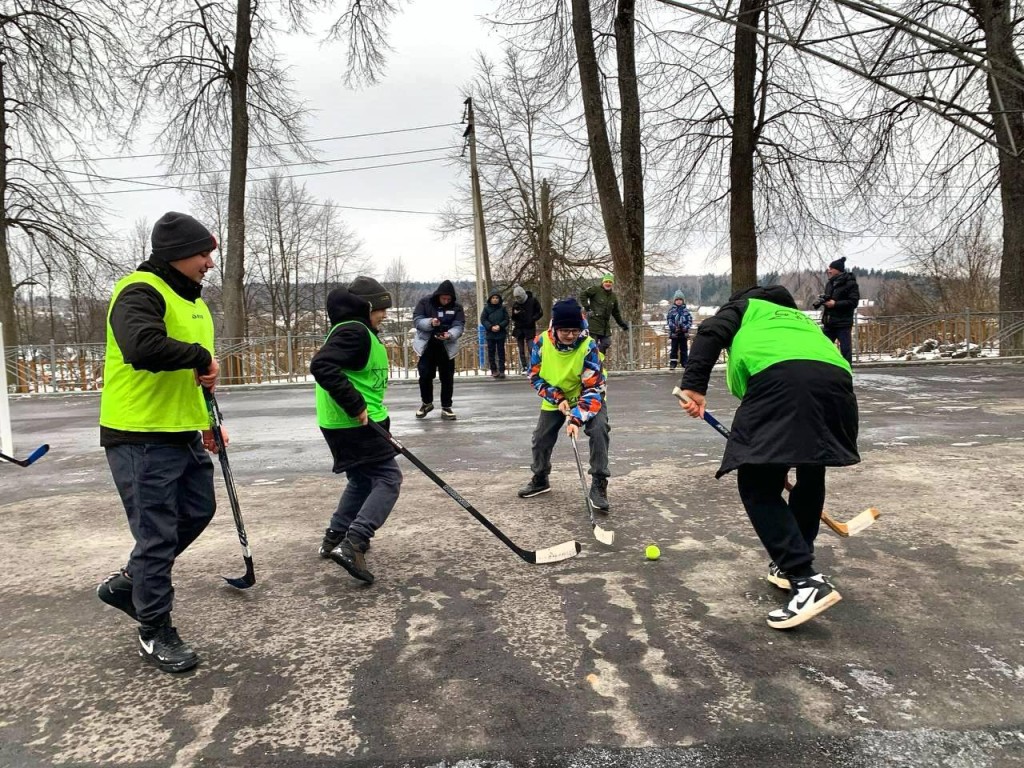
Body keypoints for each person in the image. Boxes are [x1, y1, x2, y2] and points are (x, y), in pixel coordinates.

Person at [676, 285, 859, 630]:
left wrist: (694, 385)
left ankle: (805, 580)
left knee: (758, 485)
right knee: (810, 470)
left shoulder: (747, 307)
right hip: (837, 385)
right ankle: (792, 563)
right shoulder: (799, 320)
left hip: (779, 383)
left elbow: (710, 330)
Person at [96, 211, 221, 674]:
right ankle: (153, 628)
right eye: (204, 253)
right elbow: (142, 347)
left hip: (180, 430)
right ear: (177, 254)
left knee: (197, 511)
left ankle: (130, 583)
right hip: (139, 435)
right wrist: (199, 356)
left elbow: (193, 373)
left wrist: (209, 419)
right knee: (156, 534)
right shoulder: (139, 290)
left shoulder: (191, 300)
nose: (210, 262)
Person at [310, 276, 402, 586]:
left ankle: (335, 536)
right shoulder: (354, 331)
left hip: (350, 422)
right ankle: (354, 543)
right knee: (388, 479)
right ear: (366, 308)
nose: (385, 315)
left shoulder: (359, 331)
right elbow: (322, 365)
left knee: (362, 479)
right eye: (380, 309)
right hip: (355, 422)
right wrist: (355, 404)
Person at [517, 298, 612, 511]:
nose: (571, 335)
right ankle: (540, 477)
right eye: (565, 330)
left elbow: (593, 387)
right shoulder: (541, 343)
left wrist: (576, 419)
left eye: (575, 330)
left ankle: (599, 483)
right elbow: (534, 377)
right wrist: (557, 398)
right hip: (556, 395)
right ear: (555, 328)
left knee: (599, 431)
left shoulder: (589, 346)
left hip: (588, 395)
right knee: (541, 436)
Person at [412, 280, 466, 420]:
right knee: (425, 376)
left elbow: (459, 325)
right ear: (438, 296)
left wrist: (450, 334)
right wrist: (430, 322)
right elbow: (417, 320)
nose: (446, 301)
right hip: (427, 346)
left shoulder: (457, 307)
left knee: (447, 378)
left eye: (448, 299)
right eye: (443, 298)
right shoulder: (425, 302)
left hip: (446, 347)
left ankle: (446, 406)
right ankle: (426, 403)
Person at [817, 256, 860, 364]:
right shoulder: (830, 283)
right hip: (829, 322)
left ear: (838, 270)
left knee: (845, 350)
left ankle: (847, 371)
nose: (829, 270)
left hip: (843, 324)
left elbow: (853, 302)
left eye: (831, 268)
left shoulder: (850, 284)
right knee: (822, 347)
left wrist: (835, 304)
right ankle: (825, 369)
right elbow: (829, 298)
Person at [580, 273, 629, 354]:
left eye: (610, 282)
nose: (608, 283)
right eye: (606, 281)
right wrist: (587, 308)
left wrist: (622, 324)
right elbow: (583, 294)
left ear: (612, 284)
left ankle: (599, 358)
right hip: (594, 324)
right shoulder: (595, 290)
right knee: (592, 345)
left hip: (605, 326)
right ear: (603, 282)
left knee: (607, 343)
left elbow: (616, 312)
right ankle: (593, 361)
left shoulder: (613, 296)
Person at [510, 284, 543, 374]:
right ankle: (524, 367)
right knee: (521, 350)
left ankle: (534, 365)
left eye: (519, 297)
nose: (518, 299)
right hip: (519, 328)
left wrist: (532, 319)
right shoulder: (516, 304)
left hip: (529, 328)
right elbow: (513, 317)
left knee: (531, 348)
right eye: (516, 297)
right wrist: (515, 314)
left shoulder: (533, 301)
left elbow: (540, 312)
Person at [480, 289, 510, 379]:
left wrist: (500, 326)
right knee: (491, 352)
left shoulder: (502, 308)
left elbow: (506, 319)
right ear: (490, 299)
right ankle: (494, 370)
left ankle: (502, 370)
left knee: (501, 352)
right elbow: (483, 319)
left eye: (497, 298)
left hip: (500, 333)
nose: (495, 299)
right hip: (490, 334)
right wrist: (490, 327)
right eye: (493, 298)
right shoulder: (486, 309)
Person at [666, 290, 693, 370]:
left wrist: (685, 327)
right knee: (674, 348)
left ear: (683, 301)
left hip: (683, 333)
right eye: (677, 300)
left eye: (680, 300)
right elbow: (669, 320)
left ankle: (684, 362)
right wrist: (674, 328)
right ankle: (673, 363)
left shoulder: (686, 311)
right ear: (674, 301)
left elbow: (690, 321)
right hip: (675, 333)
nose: (679, 301)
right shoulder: (671, 310)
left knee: (684, 348)